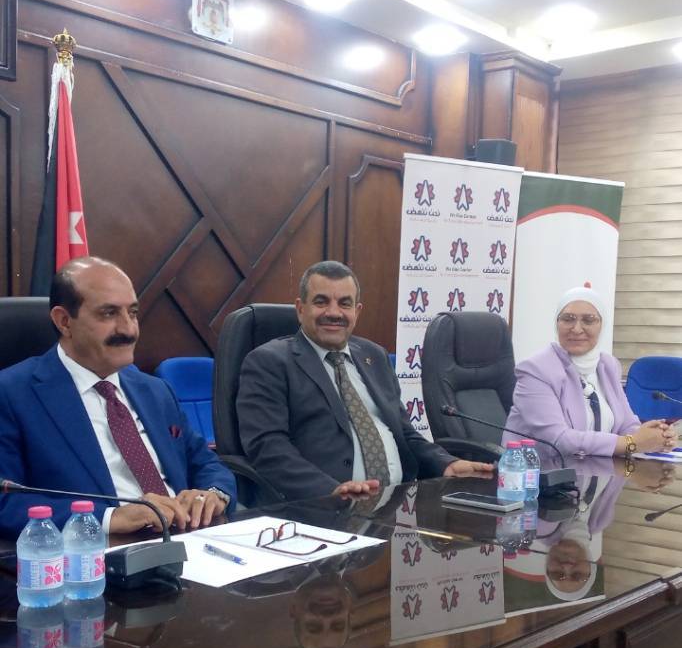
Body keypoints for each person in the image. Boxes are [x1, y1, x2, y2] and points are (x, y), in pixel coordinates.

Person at [0, 257, 237, 539]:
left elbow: (206, 463)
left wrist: (213, 494)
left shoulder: (156, 391)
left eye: (133, 313)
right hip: (99, 551)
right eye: (109, 313)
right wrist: (110, 517)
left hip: (191, 538)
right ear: (64, 321)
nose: (128, 329)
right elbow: (5, 501)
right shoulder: (13, 393)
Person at [236, 260, 494, 501]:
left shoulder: (375, 356)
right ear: (300, 309)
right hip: (321, 507)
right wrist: (329, 490)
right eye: (321, 302)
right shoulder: (269, 362)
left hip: (396, 502)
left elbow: (404, 433)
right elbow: (268, 448)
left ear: (357, 311)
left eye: (344, 303)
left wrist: (446, 463)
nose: (334, 313)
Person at [504, 283, 675, 457]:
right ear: (557, 323)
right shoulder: (536, 370)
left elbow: (626, 424)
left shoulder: (607, 365)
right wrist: (631, 443)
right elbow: (558, 440)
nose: (577, 329)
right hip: (540, 471)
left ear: (602, 325)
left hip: (597, 469)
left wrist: (655, 436)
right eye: (568, 319)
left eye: (589, 320)